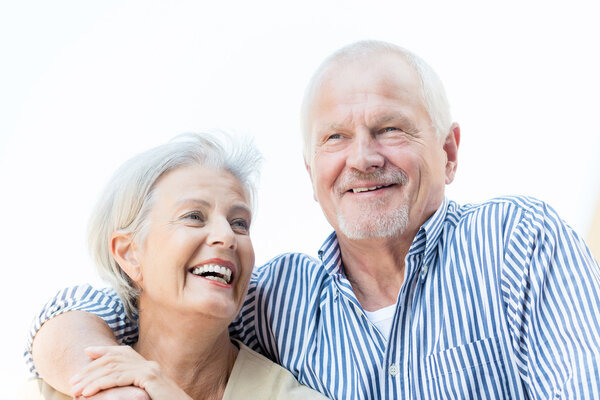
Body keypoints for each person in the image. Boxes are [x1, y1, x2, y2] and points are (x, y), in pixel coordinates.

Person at [26, 41, 600, 399]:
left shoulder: (518, 242)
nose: (362, 158)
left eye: (389, 128)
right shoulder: (277, 299)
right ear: (311, 173)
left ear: (448, 153)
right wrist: (108, 386)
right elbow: (117, 308)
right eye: (335, 138)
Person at [20, 133, 326, 399]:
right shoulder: (52, 392)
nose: (226, 236)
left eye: (239, 223)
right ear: (129, 255)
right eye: (193, 216)